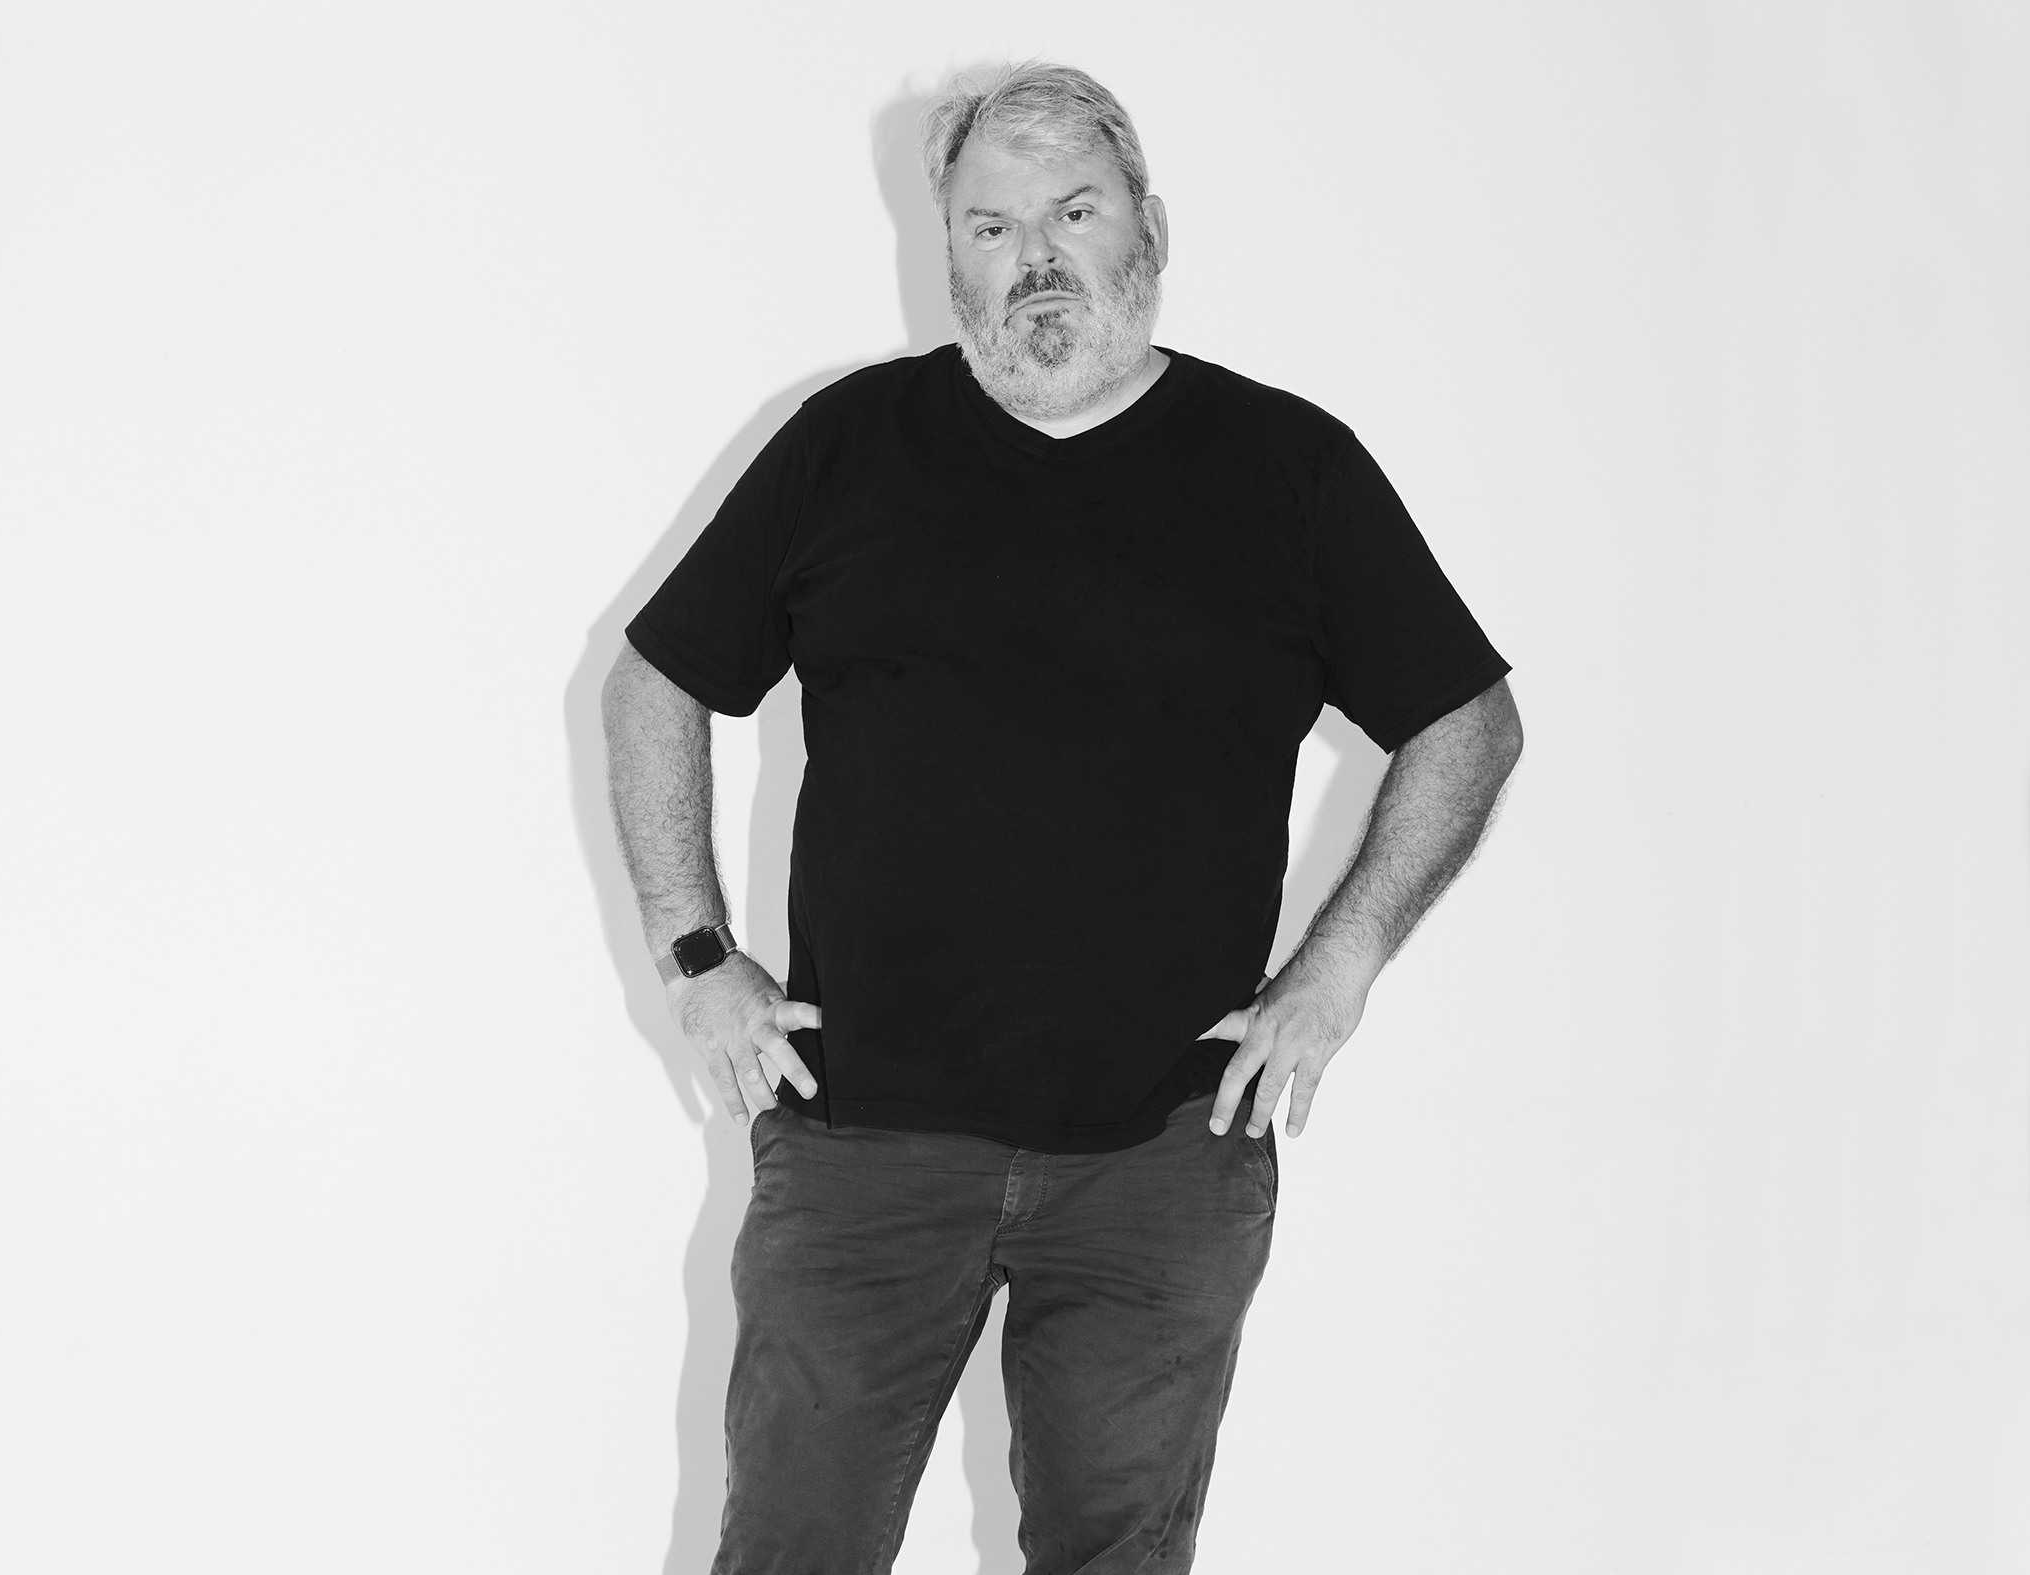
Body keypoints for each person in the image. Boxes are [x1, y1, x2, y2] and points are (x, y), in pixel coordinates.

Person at [602, 60, 1523, 1575]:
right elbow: (655, 683)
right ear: (947, 253)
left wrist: (1341, 964)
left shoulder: (1287, 470)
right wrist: (696, 956)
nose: (1033, 258)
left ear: (1150, 230)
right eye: (990, 226)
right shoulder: (848, 445)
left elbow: (1466, 722)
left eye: (1074, 212)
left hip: (1163, 1156)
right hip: (863, 1145)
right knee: (790, 1553)